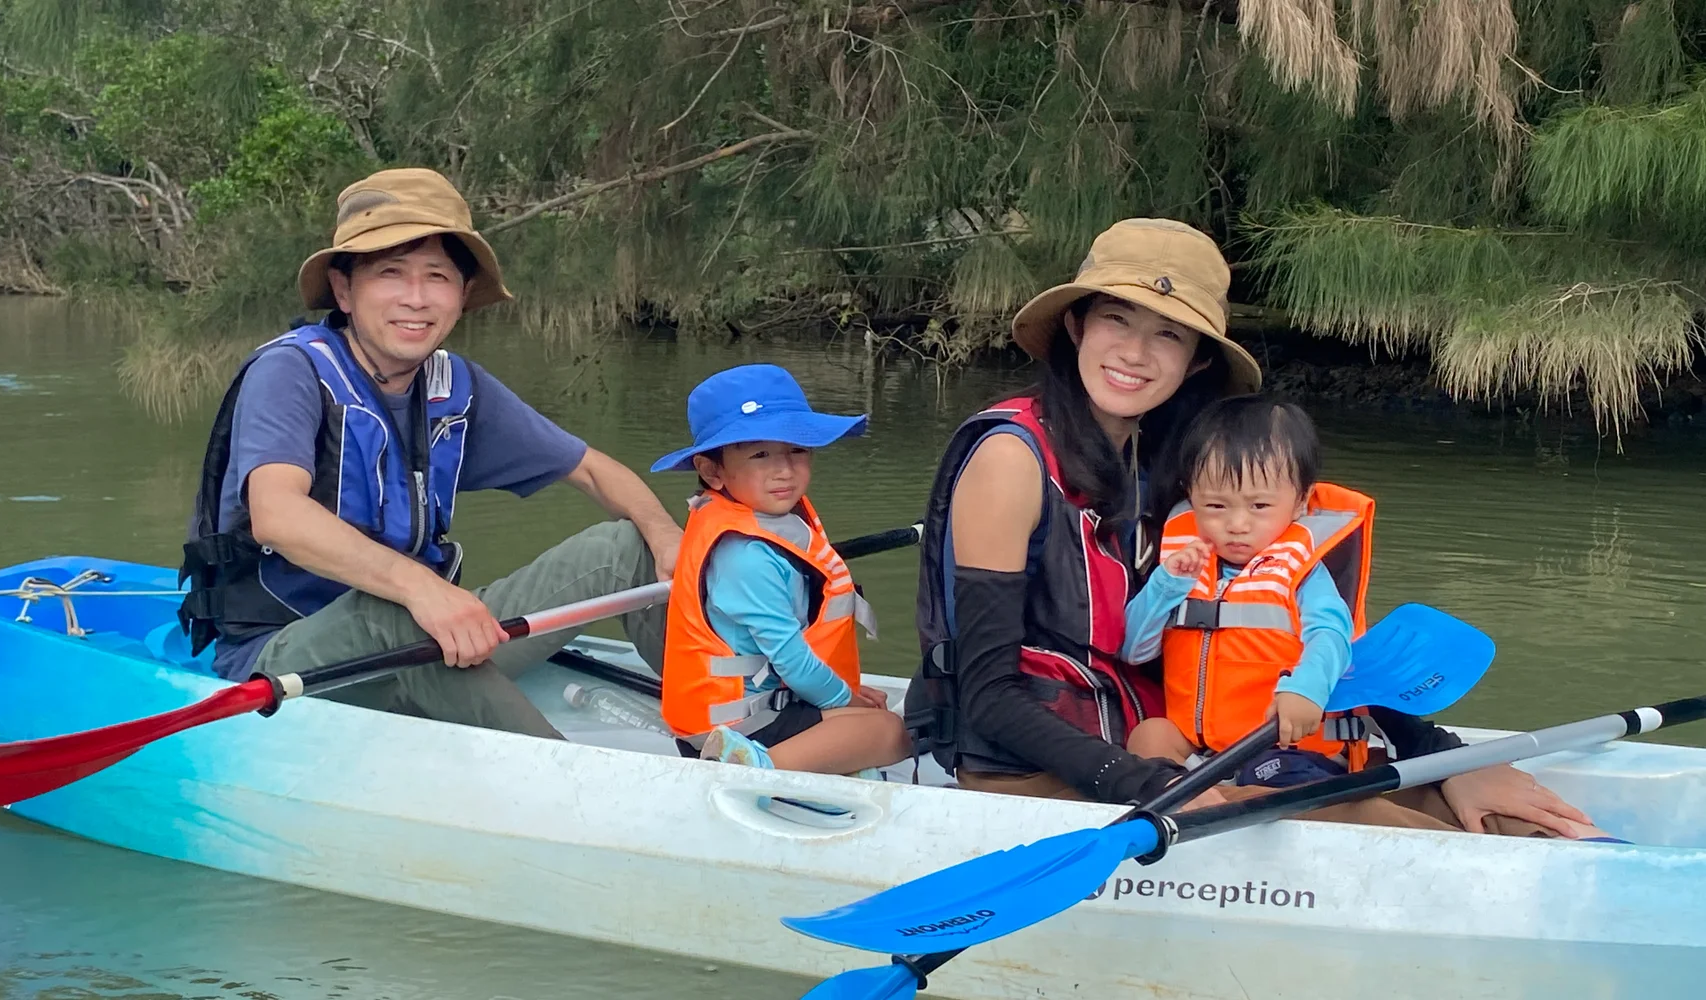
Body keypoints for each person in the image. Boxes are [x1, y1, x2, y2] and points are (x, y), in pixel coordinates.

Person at [903, 217, 1605, 838]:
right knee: (1343, 810)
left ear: (1196, 359)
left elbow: (1285, 627)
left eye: (1168, 334)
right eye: (1118, 319)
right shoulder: (1009, 459)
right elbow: (986, 694)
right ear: (1079, 325)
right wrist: (1154, 788)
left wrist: (1441, 755)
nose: (1136, 353)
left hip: (1183, 746)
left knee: (1461, 802)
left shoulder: (1185, 473)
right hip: (1055, 770)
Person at [177, 167, 683, 740]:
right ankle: (561, 783)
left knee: (623, 545)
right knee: (389, 610)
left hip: (415, 634)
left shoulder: (454, 385)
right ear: (344, 290)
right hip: (286, 655)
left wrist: (665, 534)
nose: (416, 299)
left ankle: (730, 733)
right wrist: (422, 589)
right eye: (391, 273)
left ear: (462, 295)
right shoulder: (290, 371)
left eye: (437, 276)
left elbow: (592, 469)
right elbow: (277, 514)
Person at [652, 365, 910, 776]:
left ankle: (809, 762)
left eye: (797, 450)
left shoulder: (768, 523)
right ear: (711, 471)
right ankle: (757, 768)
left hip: (763, 701)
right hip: (739, 725)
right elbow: (790, 659)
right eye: (759, 454)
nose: (784, 469)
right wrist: (844, 701)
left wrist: (846, 695)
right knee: (893, 732)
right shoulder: (744, 556)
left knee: (868, 710)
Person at [1122, 396, 1379, 784]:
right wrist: (1166, 585)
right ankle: (1193, 799)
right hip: (1199, 750)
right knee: (1149, 736)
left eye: (1259, 505)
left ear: (1300, 503)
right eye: (1215, 506)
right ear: (1191, 496)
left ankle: (1217, 804)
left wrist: (1306, 688)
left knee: (1267, 775)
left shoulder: (1304, 572)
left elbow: (1332, 638)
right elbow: (1133, 649)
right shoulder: (1182, 564)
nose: (1237, 524)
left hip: (1283, 749)